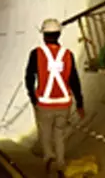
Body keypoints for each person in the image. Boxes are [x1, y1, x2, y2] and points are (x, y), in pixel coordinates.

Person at [25, 18, 85, 178]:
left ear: (44, 35)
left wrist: (32, 97)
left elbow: (29, 77)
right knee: (59, 134)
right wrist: (80, 103)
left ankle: (49, 157)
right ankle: (60, 163)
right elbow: (74, 80)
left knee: (45, 132)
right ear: (59, 34)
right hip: (64, 103)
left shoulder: (36, 54)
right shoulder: (67, 54)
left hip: (44, 103)